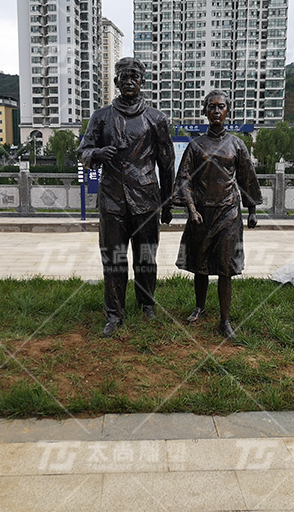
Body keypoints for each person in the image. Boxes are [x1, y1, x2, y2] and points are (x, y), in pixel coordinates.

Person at [78, 57, 174, 337]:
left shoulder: (156, 119)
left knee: (146, 257)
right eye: (124, 77)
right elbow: (83, 151)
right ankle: (114, 313)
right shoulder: (101, 117)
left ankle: (147, 304)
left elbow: (167, 163)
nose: (129, 81)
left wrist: (168, 202)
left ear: (142, 81)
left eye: (134, 77)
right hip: (112, 200)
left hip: (146, 199)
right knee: (113, 259)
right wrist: (98, 153)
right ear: (116, 81)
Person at [173, 90, 262, 338]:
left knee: (225, 267)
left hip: (228, 213)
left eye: (220, 107)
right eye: (211, 107)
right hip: (201, 213)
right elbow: (184, 179)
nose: (215, 111)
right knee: (199, 264)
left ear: (227, 111)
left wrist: (252, 210)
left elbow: (247, 178)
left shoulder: (237, 145)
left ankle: (225, 320)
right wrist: (191, 208)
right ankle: (199, 307)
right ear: (205, 111)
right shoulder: (195, 145)